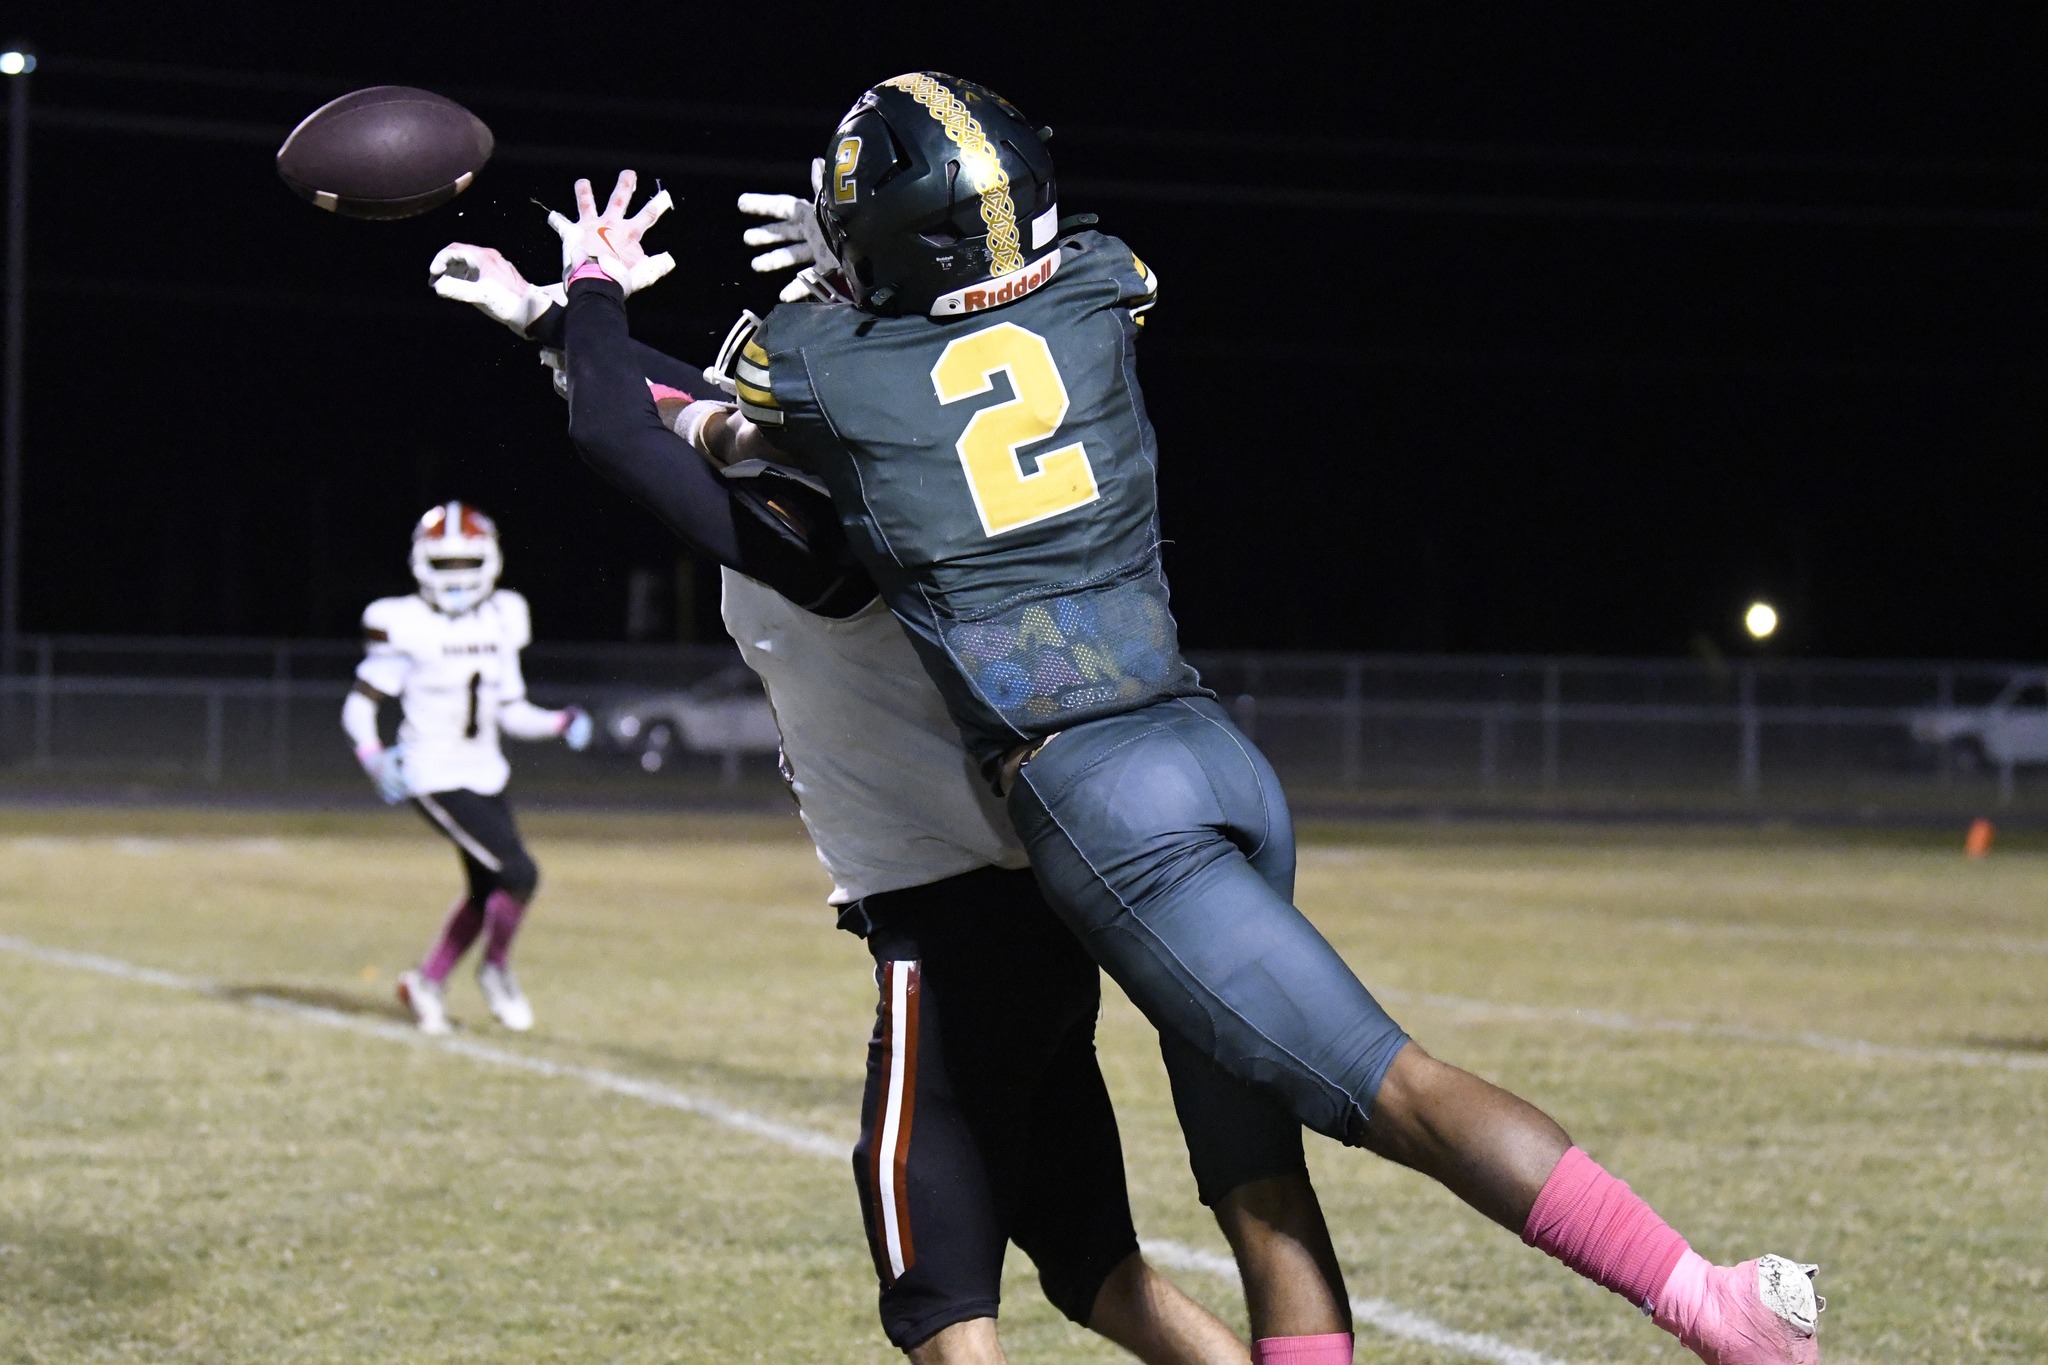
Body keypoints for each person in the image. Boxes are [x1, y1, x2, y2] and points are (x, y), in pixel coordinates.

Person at [527, 69, 1827, 1365]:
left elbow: (703, 429)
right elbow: (940, 345)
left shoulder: (820, 366)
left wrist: (588, 297)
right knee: (1255, 1176)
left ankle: (1709, 1305)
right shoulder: (1101, 285)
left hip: (1097, 795)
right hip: (1209, 751)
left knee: (1397, 1089)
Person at [428, 233, 1349, 1361]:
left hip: (950, 913)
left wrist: (593, 291)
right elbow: (686, 403)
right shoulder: (901, 467)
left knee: (934, 1296)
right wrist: (551, 319)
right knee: (1089, 1264)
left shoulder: (823, 530)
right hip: (1024, 894)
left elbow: (626, 429)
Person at [341, 502, 594, 1035]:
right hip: (431, 773)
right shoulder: (403, 622)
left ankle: (426, 982)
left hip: (485, 771)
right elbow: (359, 704)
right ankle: (495, 969)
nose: (456, 576)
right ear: (422, 564)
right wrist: (372, 755)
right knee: (519, 874)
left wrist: (559, 722)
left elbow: (510, 711)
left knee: (487, 889)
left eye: (465, 563)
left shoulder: (503, 616)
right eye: (445, 564)